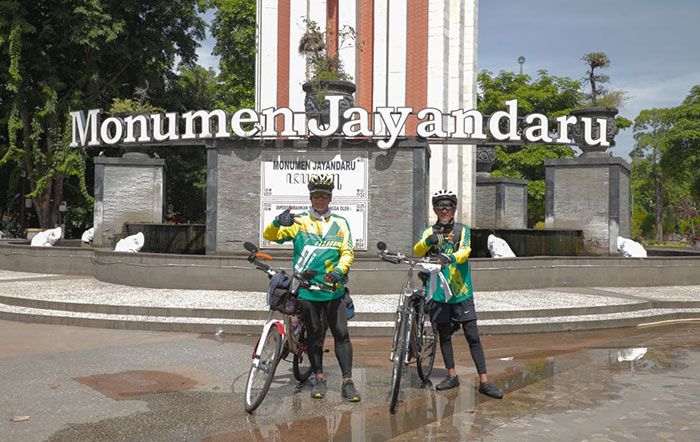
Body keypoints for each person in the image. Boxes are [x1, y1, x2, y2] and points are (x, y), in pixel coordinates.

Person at [263, 174, 361, 402]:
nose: (320, 200)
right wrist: (278, 222)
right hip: (307, 291)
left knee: (342, 335)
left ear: (330, 198)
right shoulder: (299, 221)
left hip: (333, 290)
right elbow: (269, 236)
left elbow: (348, 251)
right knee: (315, 336)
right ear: (310, 197)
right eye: (316, 196)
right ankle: (318, 377)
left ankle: (347, 382)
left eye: (324, 196)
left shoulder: (341, 222)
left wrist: (339, 270)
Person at [413, 189, 503, 399]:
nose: (445, 210)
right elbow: (417, 250)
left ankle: (484, 381)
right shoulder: (429, 231)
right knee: (444, 336)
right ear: (435, 209)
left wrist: (450, 258)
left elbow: (465, 251)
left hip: (461, 292)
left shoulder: (463, 230)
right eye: (440, 206)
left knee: (472, 336)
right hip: (439, 294)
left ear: (454, 209)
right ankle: (451, 375)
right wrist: (428, 242)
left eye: (449, 206)